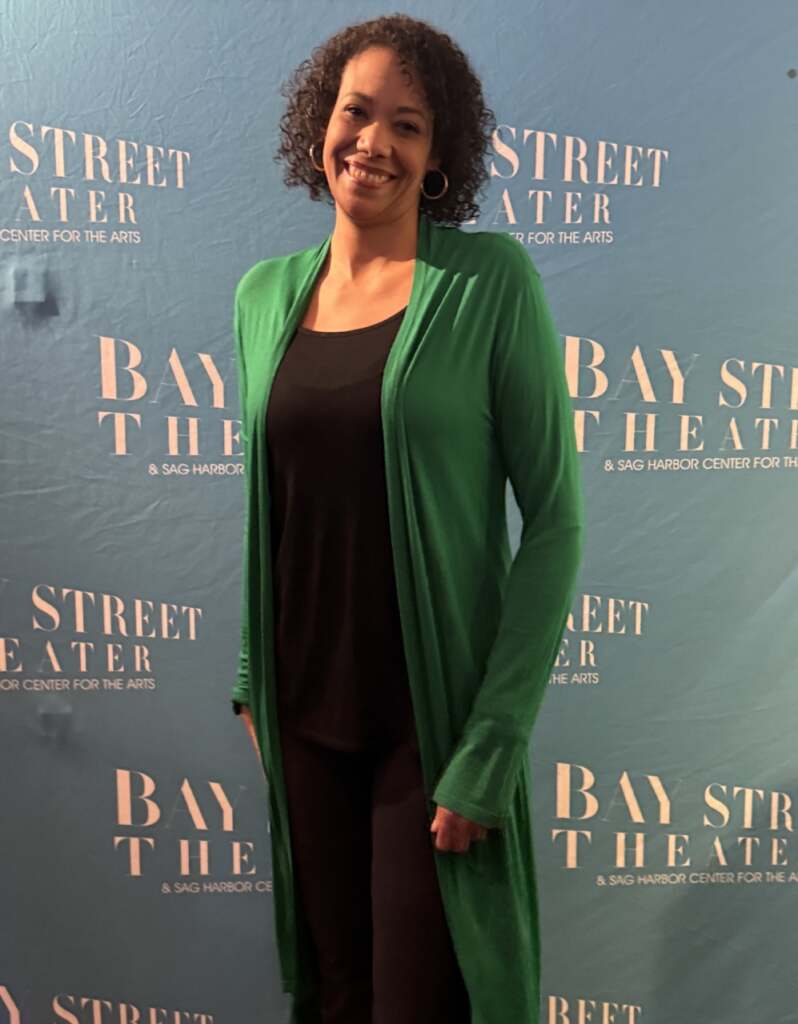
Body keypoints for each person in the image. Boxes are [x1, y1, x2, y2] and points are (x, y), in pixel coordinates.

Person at [230, 13, 585, 1024]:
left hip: (429, 733)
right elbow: (273, 507)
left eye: (409, 125)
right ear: (320, 126)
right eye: (356, 111)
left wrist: (491, 748)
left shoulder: (488, 284)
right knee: (335, 998)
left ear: (439, 158)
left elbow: (556, 523)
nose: (373, 142)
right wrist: (254, 683)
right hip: (304, 718)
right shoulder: (263, 297)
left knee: (417, 1004)